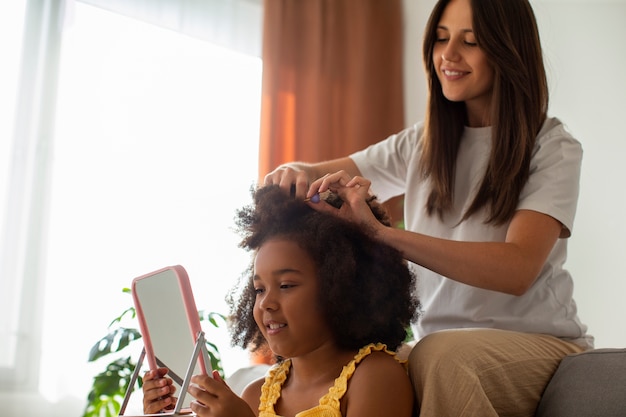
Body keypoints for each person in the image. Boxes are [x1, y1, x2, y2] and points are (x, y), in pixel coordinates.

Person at [263, 0, 593, 416]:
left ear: (509, 51)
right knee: (354, 366)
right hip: (438, 346)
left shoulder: (551, 147)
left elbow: (517, 268)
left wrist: (382, 235)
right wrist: (295, 170)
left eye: (470, 42)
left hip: (537, 342)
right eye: (441, 38)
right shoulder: (421, 143)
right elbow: (315, 172)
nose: (448, 55)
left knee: (440, 354)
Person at [141, 184, 420, 416]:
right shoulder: (255, 395)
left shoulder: (375, 377)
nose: (266, 304)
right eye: (259, 289)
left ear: (343, 288)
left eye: (286, 285)